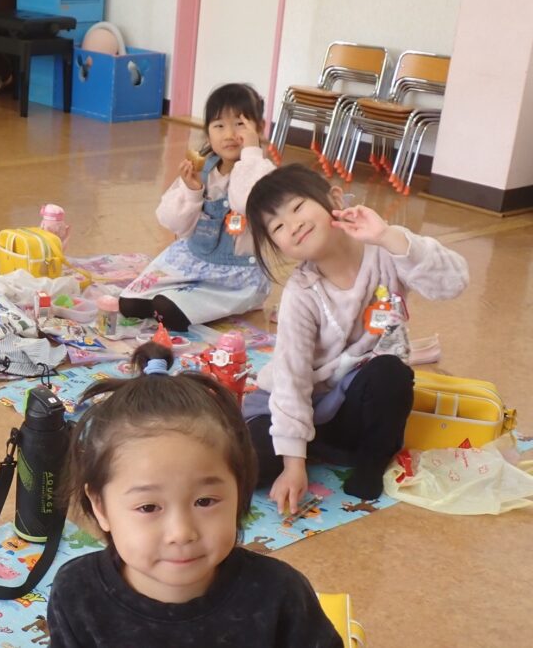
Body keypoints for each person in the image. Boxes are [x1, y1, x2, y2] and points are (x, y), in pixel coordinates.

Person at [47, 342, 341, 647]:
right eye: (148, 507)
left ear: (239, 491)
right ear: (100, 507)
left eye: (205, 501)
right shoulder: (77, 594)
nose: (182, 533)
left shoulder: (279, 594)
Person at [242, 164, 469, 513]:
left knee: (390, 372)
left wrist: (389, 236)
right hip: (303, 403)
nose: (293, 225)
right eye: (278, 227)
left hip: (353, 405)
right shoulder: (301, 293)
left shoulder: (386, 251)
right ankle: (305, 449)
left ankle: (368, 463)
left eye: (297, 207)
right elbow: (292, 379)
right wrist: (293, 464)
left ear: (335, 199)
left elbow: (453, 283)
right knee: (252, 465)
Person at [120, 83, 275, 331]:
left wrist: (251, 152)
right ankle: (172, 302)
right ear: (208, 132)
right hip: (192, 262)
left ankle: (177, 305)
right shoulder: (204, 168)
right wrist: (192, 191)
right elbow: (172, 222)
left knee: (169, 310)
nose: (229, 134)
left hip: (233, 278)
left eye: (240, 124)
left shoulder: (261, 171)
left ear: (259, 127)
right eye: (219, 126)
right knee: (128, 303)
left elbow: (244, 201)